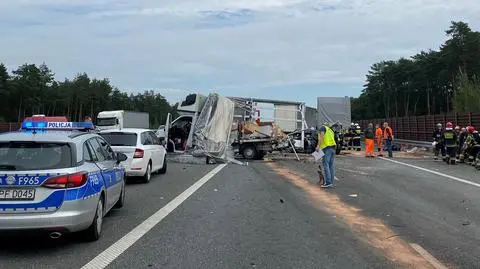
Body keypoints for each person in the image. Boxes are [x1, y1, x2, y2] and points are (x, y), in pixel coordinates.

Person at [316, 123, 337, 188]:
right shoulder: (330, 130)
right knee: (330, 165)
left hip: (327, 148)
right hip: (333, 148)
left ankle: (328, 182)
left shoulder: (323, 128)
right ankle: (331, 182)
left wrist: (318, 146)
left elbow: (321, 137)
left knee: (326, 164)